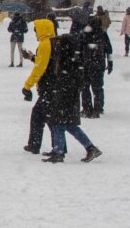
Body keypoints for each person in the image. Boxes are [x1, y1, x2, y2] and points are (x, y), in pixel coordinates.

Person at [37, 17, 100, 162]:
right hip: (69, 97)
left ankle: (59, 152)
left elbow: (64, 81)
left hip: (64, 97)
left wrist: (59, 96)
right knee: (70, 126)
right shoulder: (73, 60)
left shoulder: (67, 62)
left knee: (58, 123)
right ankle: (90, 148)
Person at [20, 17, 54, 153]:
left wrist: (27, 85)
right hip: (54, 87)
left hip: (49, 87)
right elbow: (46, 63)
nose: (35, 33)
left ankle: (37, 145)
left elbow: (40, 68)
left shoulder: (45, 45)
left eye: (36, 30)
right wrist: (32, 57)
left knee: (41, 116)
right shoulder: (53, 42)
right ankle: (55, 146)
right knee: (47, 118)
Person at [80, 16, 112, 115]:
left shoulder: (85, 34)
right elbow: (109, 50)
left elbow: (79, 49)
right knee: (98, 88)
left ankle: (87, 108)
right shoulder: (103, 34)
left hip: (86, 64)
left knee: (85, 87)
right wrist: (110, 63)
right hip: (98, 65)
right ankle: (98, 108)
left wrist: (78, 62)